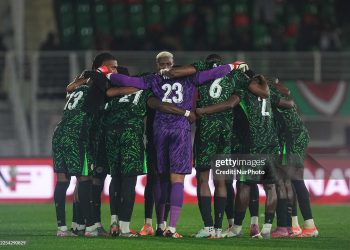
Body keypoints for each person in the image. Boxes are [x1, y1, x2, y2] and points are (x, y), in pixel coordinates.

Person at [90, 61, 242, 238]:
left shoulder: (155, 78)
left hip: (160, 129)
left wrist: (106, 74)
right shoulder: (191, 78)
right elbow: (213, 74)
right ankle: (172, 228)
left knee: (161, 177)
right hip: (180, 128)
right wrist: (233, 65)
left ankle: (159, 224)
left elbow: (130, 81)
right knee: (177, 179)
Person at [53, 52, 115, 237]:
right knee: (85, 179)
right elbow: (105, 92)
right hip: (77, 136)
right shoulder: (96, 89)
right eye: (111, 67)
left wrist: (86, 76)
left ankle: (62, 228)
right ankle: (90, 227)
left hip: (59, 134)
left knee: (63, 181)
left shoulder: (76, 90)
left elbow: (70, 86)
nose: (114, 70)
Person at [271, 79, 319, 238]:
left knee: (295, 179)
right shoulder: (281, 94)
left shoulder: (272, 96)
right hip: (294, 137)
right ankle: (295, 225)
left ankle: (310, 226)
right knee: (289, 181)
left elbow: (289, 100)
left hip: (291, 138)